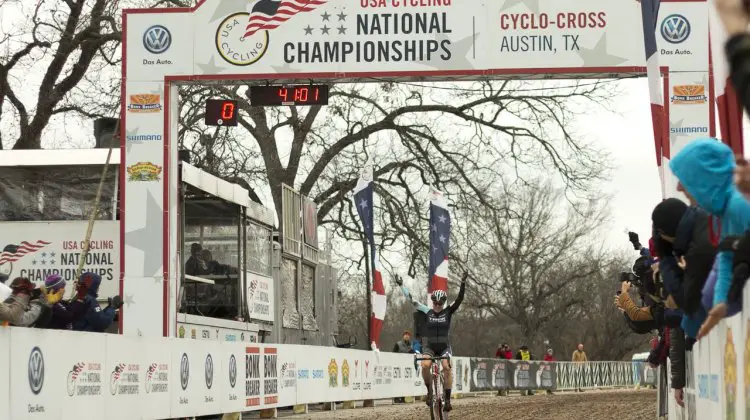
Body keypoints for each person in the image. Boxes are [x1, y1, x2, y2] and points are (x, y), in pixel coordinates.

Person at [668, 138, 750, 338]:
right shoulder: (726, 210)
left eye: (685, 179)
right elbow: (726, 257)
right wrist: (719, 303)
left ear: (704, 178)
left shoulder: (739, 205)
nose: (679, 188)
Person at [417, 272, 467, 412]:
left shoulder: (448, 311)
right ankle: (429, 392)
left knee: (446, 367)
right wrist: (402, 286)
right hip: (431, 347)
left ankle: (448, 399)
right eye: (435, 303)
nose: (438, 305)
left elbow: (459, 299)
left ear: (443, 303)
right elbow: (413, 302)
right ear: (432, 302)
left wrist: (462, 283)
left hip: (445, 346)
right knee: (425, 365)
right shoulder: (427, 312)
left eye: (440, 303)